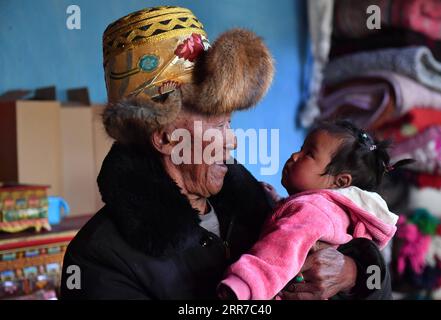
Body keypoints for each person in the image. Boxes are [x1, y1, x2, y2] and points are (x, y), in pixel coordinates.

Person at [60, 6, 392, 300]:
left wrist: (350, 273)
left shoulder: (259, 204)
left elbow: (376, 283)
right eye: (218, 126)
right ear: (164, 138)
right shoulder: (99, 258)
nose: (232, 140)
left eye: (230, 122)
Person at [218, 120, 413, 300]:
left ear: (340, 181)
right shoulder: (333, 212)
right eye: (301, 149)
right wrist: (279, 203)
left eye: (309, 154)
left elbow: (281, 250)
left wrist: (243, 285)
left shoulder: (312, 211)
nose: (295, 156)